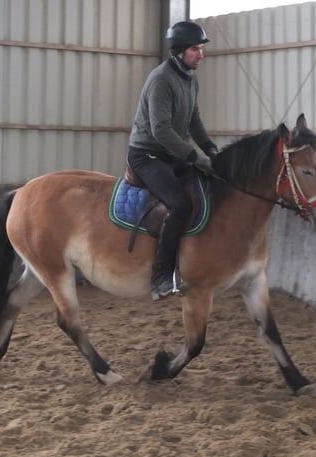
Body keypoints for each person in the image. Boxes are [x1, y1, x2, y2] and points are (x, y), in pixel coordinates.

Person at [128, 21, 219, 301]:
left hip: (171, 153)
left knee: (208, 186)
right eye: (195, 49)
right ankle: (160, 279)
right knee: (180, 204)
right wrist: (194, 156)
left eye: (201, 48)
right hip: (147, 155)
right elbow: (161, 130)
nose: (201, 54)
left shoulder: (191, 79)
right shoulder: (161, 79)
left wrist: (210, 148)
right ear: (179, 51)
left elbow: (193, 120)